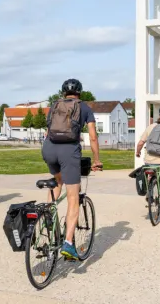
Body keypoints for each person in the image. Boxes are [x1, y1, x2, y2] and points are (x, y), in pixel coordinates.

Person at [41, 78, 102, 261]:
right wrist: (97, 160)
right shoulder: (85, 108)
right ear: (80, 93)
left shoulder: (54, 105)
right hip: (69, 151)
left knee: (58, 179)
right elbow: (92, 137)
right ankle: (68, 243)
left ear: (63, 92)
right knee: (73, 197)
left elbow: (47, 132)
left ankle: (48, 215)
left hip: (49, 149)